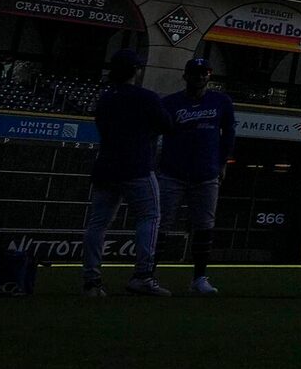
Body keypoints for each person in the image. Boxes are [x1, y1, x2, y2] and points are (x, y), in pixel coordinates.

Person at [83, 50, 171, 297]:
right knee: (150, 217)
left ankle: (91, 280)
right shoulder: (146, 97)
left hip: (106, 165)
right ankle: (142, 276)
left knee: (97, 224)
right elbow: (168, 125)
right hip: (137, 166)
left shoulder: (106, 98)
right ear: (136, 70)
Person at [159, 56, 237, 295]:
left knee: (204, 226)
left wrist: (223, 162)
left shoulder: (221, 101)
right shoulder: (170, 102)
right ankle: (147, 273)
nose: (200, 76)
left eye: (204, 72)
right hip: (173, 171)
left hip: (205, 173)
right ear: (186, 76)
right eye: (195, 73)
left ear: (209, 75)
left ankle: (200, 277)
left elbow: (229, 133)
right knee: (161, 224)